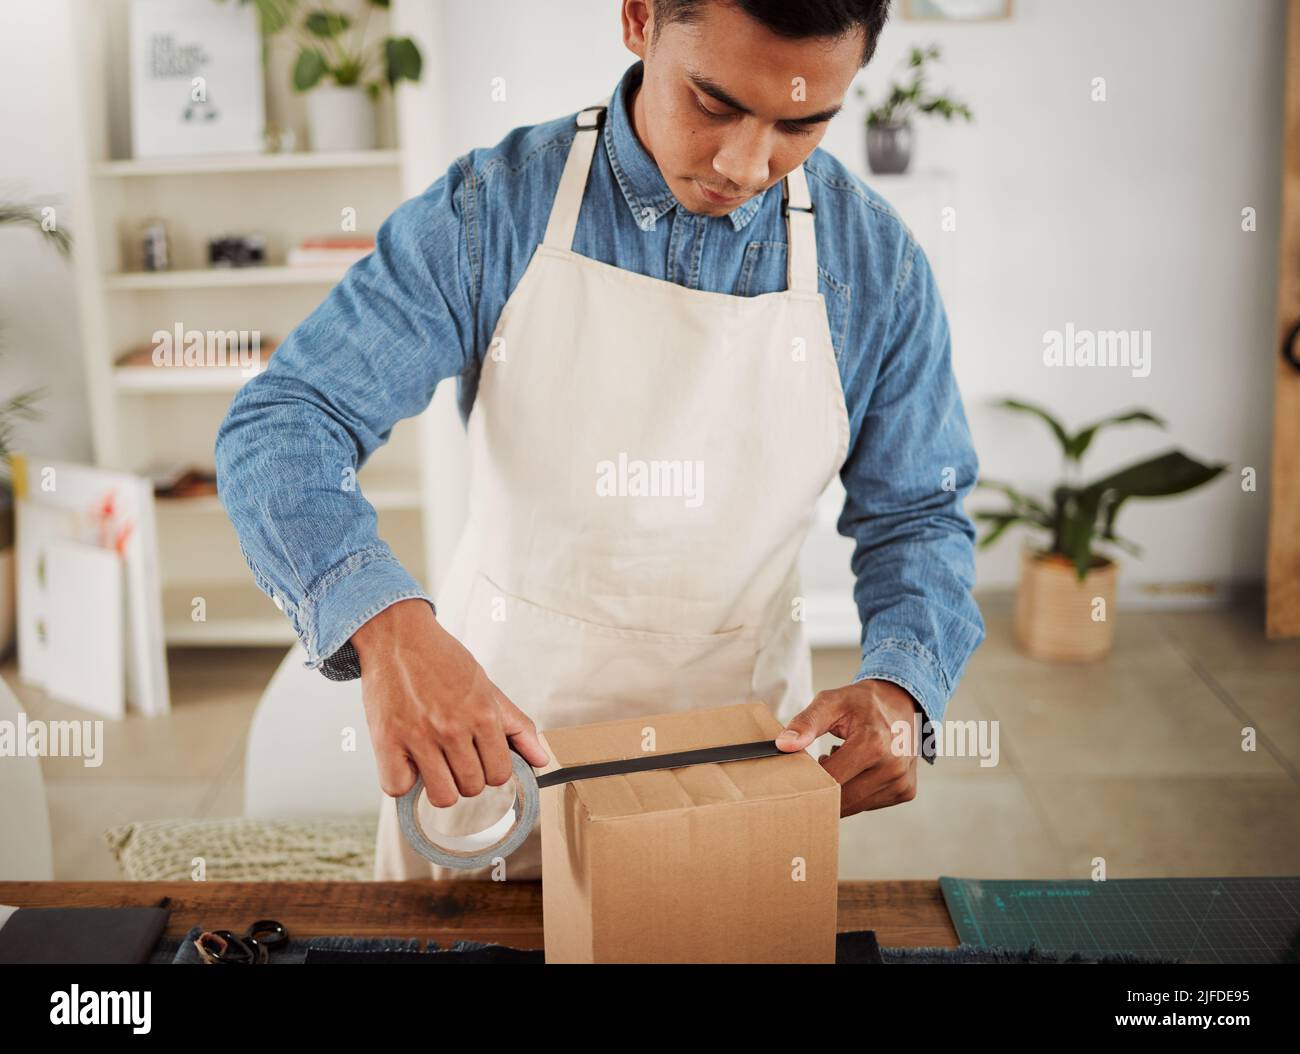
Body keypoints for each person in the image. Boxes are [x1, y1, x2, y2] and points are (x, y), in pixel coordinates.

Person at [215, 0, 985, 881]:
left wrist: (902, 684)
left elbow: (920, 514)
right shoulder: (492, 210)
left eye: (800, 123)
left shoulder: (877, 266)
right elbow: (286, 417)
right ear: (639, 18)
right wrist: (387, 628)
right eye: (713, 102)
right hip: (491, 746)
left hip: (737, 758)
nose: (745, 163)